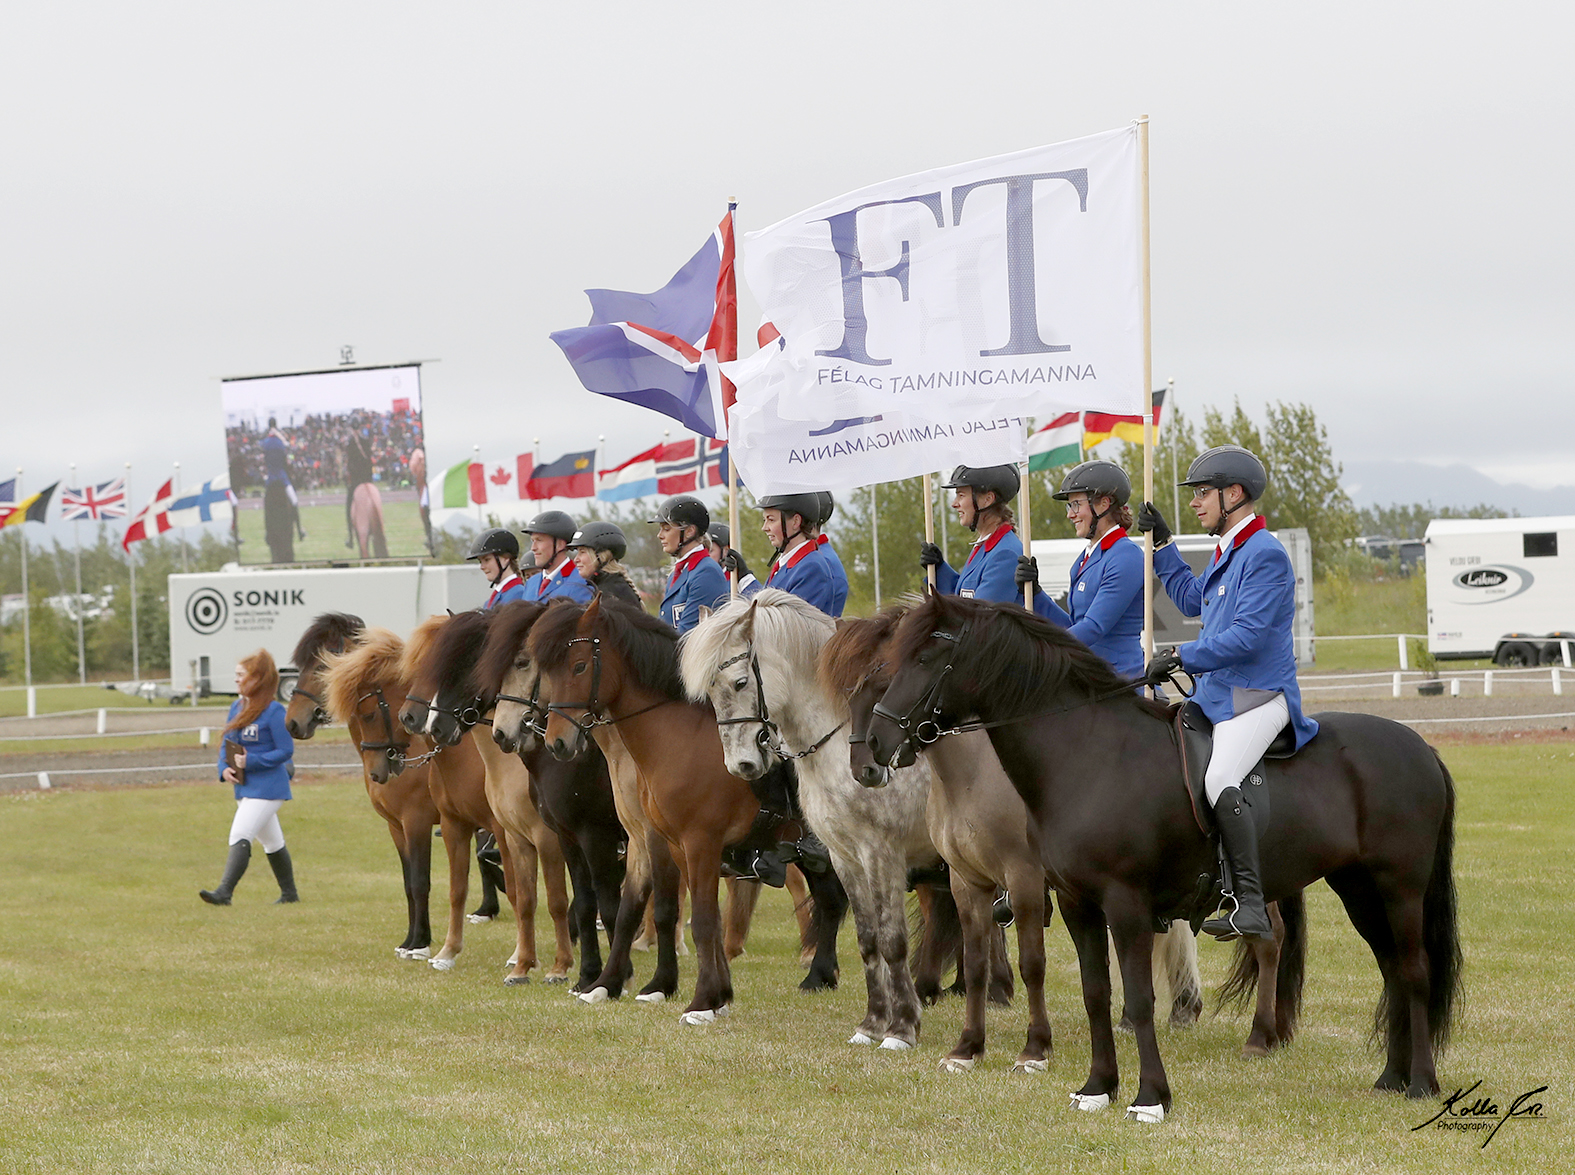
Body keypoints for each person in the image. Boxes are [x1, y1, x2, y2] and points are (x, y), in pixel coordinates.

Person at [1137, 445, 1319, 943]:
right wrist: (1162, 546)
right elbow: (1194, 600)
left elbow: (1248, 636)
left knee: (1218, 777)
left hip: (1260, 696)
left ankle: (1251, 903)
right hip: (1218, 696)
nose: (1196, 503)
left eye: (1202, 494)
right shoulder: (1229, 551)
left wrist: (1181, 656)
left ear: (1232, 494)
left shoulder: (1265, 554)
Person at [1013, 460, 1145, 678]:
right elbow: (1072, 625)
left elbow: (1094, 627)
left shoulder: (1126, 556)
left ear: (1103, 504)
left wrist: (1039, 653)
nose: (1070, 514)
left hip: (1120, 680)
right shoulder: (1082, 560)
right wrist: (1036, 595)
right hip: (1088, 673)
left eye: (1076, 505)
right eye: (1070, 506)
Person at [200, 649, 299, 906]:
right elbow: (227, 742)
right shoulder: (237, 706)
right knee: (272, 841)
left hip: (269, 787)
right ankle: (290, 895)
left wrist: (251, 761)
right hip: (244, 786)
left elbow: (286, 751)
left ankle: (224, 892)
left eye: (240, 675)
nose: (236, 680)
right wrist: (224, 767)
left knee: (240, 832)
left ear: (258, 679)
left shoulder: (274, 711)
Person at [724, 492, 848, 617]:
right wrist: (744, 577)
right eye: (764, 520)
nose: (764, 527)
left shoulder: (811, 568)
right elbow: (767, 607)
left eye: (771, 520)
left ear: (795, 522)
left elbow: (781, 624)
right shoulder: (791, 563)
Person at [919, 465, 1023, 601]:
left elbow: (978, 615)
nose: (954, 504)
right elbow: (965, 596)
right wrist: (940, 570)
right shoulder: (987, 546)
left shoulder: (1005, 554)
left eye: (961, 495)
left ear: (987, 499)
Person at [651, 495, 728, 634]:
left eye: (666, 529)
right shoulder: (678, 573)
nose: (660, 535)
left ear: (689, 531)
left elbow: (688, 635)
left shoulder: (706, 573)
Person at [520, 511, 594, 604]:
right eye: (533, 541)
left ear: (559, 545)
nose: (533, 548)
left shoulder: (581, 583)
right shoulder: (531, 582)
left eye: (539, 540)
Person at [568, 521, 642, 608]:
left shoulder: (610, 596)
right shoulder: (607, 587)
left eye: (582, 552)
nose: (576, 559)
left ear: (601, 556)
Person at [468, 527, 527, 609]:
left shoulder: (518, 594)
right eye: (480, 562)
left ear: (506, 558)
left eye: (487, 560)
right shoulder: (489, 602)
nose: (482, 567)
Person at [343, 426, 376, 550]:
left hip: (356, 481)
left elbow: (350, 463)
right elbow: (369, 461)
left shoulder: (350, 442)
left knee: (348, 507)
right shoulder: (366, 440)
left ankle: (350, 537)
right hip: (368, 479)